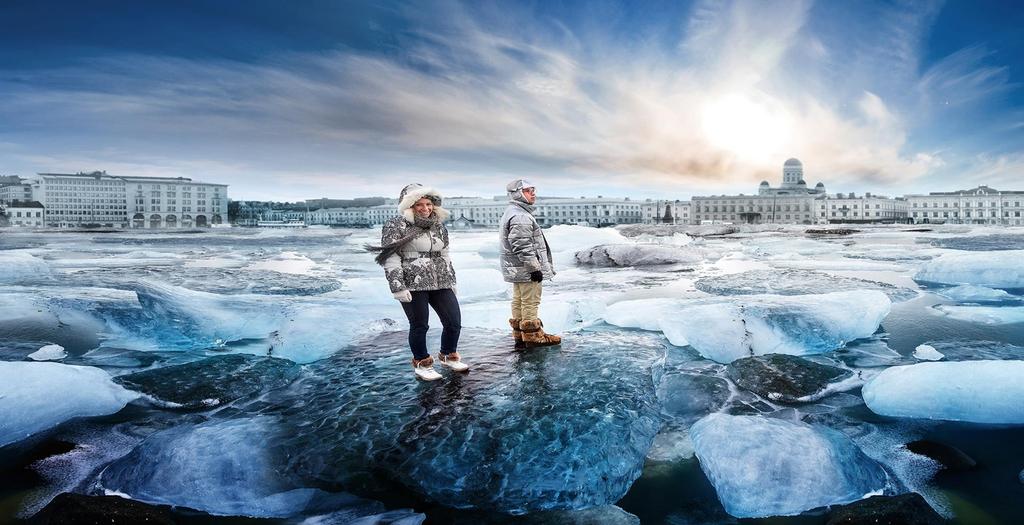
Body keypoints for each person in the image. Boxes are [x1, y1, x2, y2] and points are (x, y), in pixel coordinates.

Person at [367, 183, 467, 381]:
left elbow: (445, 255)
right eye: (419, 204)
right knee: (420, 325)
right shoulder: (396, 225)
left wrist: (451, 279)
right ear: (408, 206)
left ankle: (448, 355)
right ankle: (422, 363)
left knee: (454, 322)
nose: (425, 208)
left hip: (441, 281)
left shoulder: (438, 225)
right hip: (413, 282)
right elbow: (391, 258)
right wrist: (398, 286)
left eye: (429, 204)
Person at [500, 179, 561, 349]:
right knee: (530, 300)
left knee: (519, 299)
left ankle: (520, 334)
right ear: (518, 193)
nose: (533, 193)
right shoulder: (520, 215)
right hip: (526, 268)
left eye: (533, 190)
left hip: (517, 268)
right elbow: (522, 244)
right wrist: (534, 268)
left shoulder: (514, 211)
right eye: (528, 190)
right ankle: (533, 335)